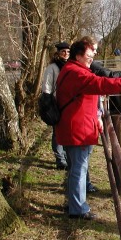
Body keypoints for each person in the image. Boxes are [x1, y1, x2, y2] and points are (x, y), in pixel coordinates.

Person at [55, 37, 121, 219]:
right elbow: (101, 83)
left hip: (76, 127)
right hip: (78, 130)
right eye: (89, 55)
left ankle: (74, 202)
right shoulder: (77, 73)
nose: (92, 58)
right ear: (78, 55)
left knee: (77, 167)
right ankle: (78, 209)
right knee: (79, 168)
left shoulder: (73, 69)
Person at [42, 41, 71, 170]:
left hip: (68, 103)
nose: (65, 54)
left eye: (68, 52)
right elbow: (47, 86)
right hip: (56, 103)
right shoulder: (52, 67)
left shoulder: (71, 66)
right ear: (58, 53)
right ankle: (60, 159)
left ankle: (66, 155)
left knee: (66, 131)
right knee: (57, 132)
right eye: (63, 52)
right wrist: (48, 102)